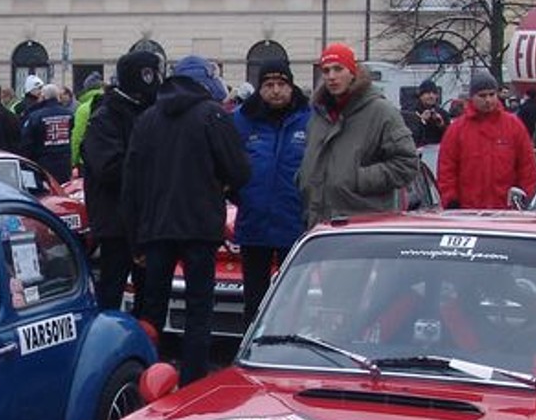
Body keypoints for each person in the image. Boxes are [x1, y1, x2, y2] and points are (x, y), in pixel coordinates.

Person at [123, 55, 250, 385]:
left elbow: (131, 183)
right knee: (198, 311)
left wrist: (135, 237)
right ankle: (192, 382)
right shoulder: (212, 115)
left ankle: (147, 376)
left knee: (152, 308)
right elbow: (239, 170)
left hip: (156, 228)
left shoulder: (148, 118)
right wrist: (220, 185)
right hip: (200, 227)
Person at [297, 42, 419, 230]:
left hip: (362, 226)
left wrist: (356, 178)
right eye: (326, 70)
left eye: (338, 69)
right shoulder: (319, 115)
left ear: (353, 71)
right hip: (320, 224)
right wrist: (304, 178)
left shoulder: (381, 112)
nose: (331, 77)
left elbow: (407, 163)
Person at [81, 49, 160, 317]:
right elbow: (109, 170)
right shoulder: (105, 117)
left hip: (148, 221)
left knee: (150, 294)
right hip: (115, 222)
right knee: (112, 291)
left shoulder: (153, 112)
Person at [234, 64, 312, 322]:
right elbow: (227, 164)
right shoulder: (242, 119)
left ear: (291, 86)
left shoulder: (310, 118)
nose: (276, 91)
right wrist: (242, 196)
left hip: (295, 225)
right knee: (254, 303)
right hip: (254, 225)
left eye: (282, 85)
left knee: (294, 303)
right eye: (269, 85)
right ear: (259, 88)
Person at [435, 71, 536, 208]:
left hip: (507, 213)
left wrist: (526, 198)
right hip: (467, 212)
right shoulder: (457, 130)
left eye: (491, 94)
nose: (488, 100)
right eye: (482, 96)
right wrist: (451, 200)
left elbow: (527, 167)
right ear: (472, 97)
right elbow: (447, 170)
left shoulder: (514, 127)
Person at [20, 81, 77, 184]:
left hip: (43, 163)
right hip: (64, 163)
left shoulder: (35, 116)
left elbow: (26, 142)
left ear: (43, 97)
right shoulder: (69, 115)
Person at [69, 71, 105, 173]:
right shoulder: (111, 104)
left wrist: (74, 161)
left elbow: (77, 137)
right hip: (110, 159)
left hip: (87, 160)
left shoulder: (83, 109)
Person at [402, 79, 449, 146]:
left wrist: (441, 125)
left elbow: (450, 137)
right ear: (420, 96)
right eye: (428, 93)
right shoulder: (410, 112)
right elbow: (409, 136)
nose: (431, 96)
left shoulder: (443, 114)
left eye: (434, 93)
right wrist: (421, 121)